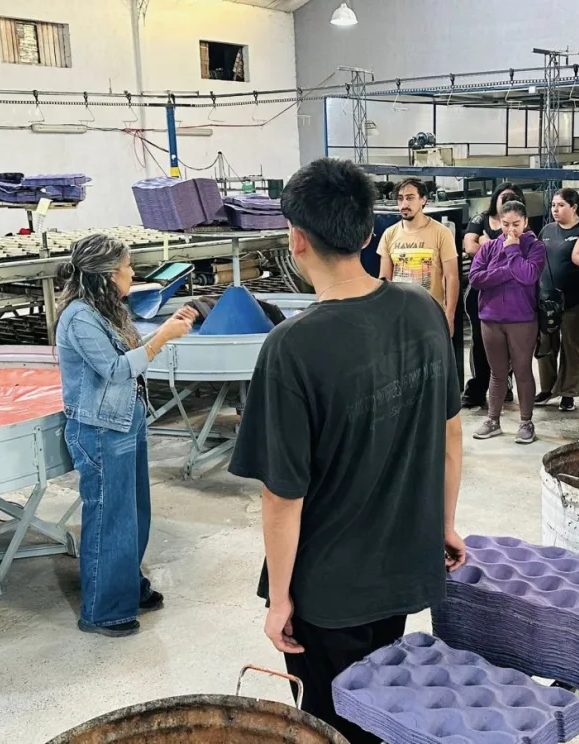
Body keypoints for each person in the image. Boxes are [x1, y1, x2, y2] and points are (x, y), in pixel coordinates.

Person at [228, 158, 466, 744]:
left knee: (330, 725)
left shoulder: (291, 347)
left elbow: (283, 495)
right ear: (366, 234)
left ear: (296, 239)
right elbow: (450, 436)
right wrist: (443, 525)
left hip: (329, 590)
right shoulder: (422, 310)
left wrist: (279, 599)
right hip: (403, 567)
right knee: (382, 708)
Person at [55, 234, 195, 637]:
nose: (133, 273)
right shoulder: (80, 318)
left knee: (133, 513)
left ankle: (127, 587)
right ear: (107, 275)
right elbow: (116, 370)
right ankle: (104, 611)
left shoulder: (107, 310)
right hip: (100, 430)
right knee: (109, 518)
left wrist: (164, 329)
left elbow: (128, 358)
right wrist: (162, 338)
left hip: (125, 420)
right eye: (127, 267)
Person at [469, 200, 546, 444]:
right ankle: (493, 420)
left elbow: (528, 275)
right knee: (497, 372)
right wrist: (506, 272)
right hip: (490, 318)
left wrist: (513, 250)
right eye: (505, 224)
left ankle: (526, 421)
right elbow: (475, 278)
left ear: (525, 222)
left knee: (522, 370)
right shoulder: (489, 246)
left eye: (516, 224)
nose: (510, 229)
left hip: (521, 318)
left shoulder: (535, 246)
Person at [462, 183, 525, 408]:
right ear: (495, 199)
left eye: (512, 197)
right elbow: (470, 246)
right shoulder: (481, 219)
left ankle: (503, 382)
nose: (507, 201)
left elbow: (519, 256)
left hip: (511, 294)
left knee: (508, 341)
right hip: (481, 292)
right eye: (503, 197)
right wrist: (497, 249)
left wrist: (487, 244)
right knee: (480, 341)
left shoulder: (521, 225)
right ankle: (478, 387)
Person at [378, 177, 459, 335]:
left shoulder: (441, 233)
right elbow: (384, 279)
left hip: (431, 315)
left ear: (423, 200)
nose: (404, 204)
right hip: (400, 316)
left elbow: (452, 277)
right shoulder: (389, 234)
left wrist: (449, 315)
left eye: (410, 198)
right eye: (400, 199)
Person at [536, 188, 579, 413]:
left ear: (574, 207)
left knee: (572, 347)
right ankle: (547, 389)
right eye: (553, 206)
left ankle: (568, 393)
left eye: (561, 205)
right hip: (547, 300)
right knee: (546, 345)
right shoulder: (547, 230)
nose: (555, 210)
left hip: (575, 300)